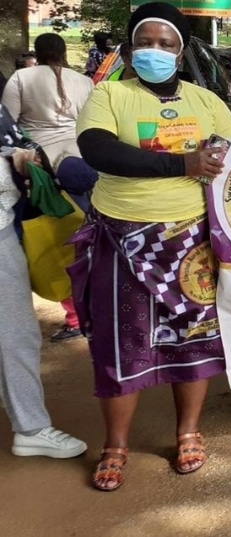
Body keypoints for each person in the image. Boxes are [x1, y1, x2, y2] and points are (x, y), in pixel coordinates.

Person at [72, 2, 231, 490]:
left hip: (190, 239)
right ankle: (116, 443)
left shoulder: (206, 101)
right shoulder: (109, 95)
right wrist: (182, 165)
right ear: (128, 50)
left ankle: (188, 431)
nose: (155, 51)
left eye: (166, 44)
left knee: (194, 336)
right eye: (145, 42)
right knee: (119, 341)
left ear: (181, 52)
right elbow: (98, 149)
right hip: (122, 238)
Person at [0, 103, 87, 460]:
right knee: (14, 333)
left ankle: (31, 427)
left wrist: (19, 156)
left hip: (6, 224)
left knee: (17, 333)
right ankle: (31, 427)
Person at [3, 33, 98, 342]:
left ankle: (75, 317)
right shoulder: (83, 81)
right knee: (90, 241)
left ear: (38, 53)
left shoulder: (22, 77)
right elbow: (92, 123)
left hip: (44, 172)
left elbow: (10, 128)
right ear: (62, 52)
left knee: (58, 245)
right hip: (85, 165)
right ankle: (97, 309)